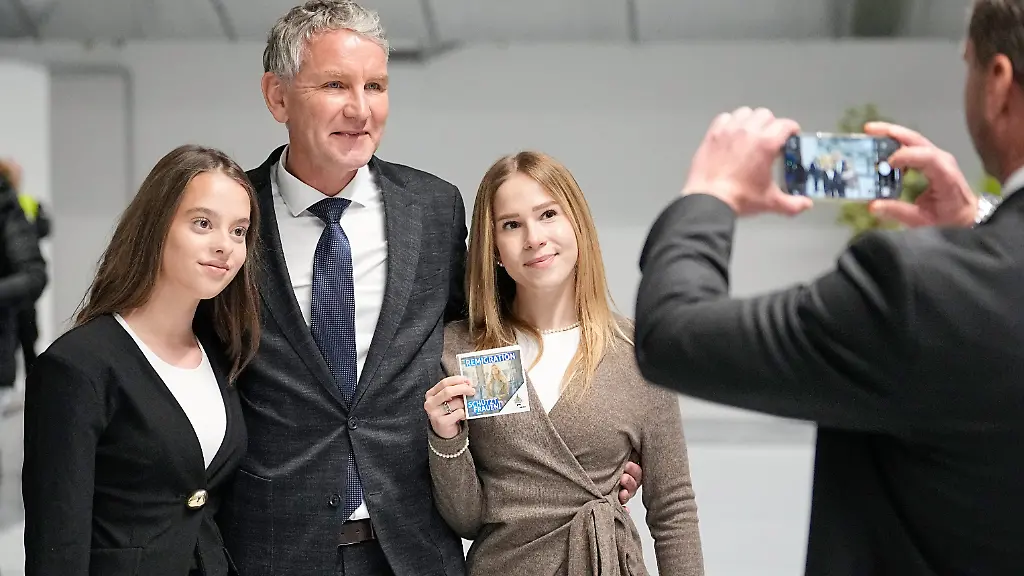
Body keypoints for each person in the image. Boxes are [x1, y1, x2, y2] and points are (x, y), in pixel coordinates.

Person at [214, 3, 643, 575]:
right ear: (277, 96)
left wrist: (587, 456)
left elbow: (488, 347)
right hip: (270, 549)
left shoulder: (433, 209)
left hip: (414, 547)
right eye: (335, 85)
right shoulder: (231, 216)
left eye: (375, 86)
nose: (360, 108)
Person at [632, 1, 1024, 574]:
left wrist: (710, 193)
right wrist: (979, 228)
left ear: (998, 83)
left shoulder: (916, 291)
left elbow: (672, 334)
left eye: (968, 64)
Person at [424, 151, 704, 576]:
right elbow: (468, 519)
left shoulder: (638, 351)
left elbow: (674, 511)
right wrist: (446, 441)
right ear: (494, 248)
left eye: (548, 214)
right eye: (511, 225)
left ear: (577, 223)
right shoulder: (459, 351)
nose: (534, 238)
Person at [22, 144, 261, 576]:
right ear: (156, 226)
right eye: (203, 223)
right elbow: (57, 542)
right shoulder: (78, 365)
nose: (224, 246)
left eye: (238, 231)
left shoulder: (223, 353)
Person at [0, 158, 46, 404]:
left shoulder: (18, 204)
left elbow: (45, 227)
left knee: (28, 339)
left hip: (16, 291)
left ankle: (35, 391)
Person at [16, 188, 51, 371]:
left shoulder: (29, 202)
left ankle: (31, 376)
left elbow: (46, 228)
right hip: (17, 281)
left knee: (28, 339)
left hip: (23, 284)